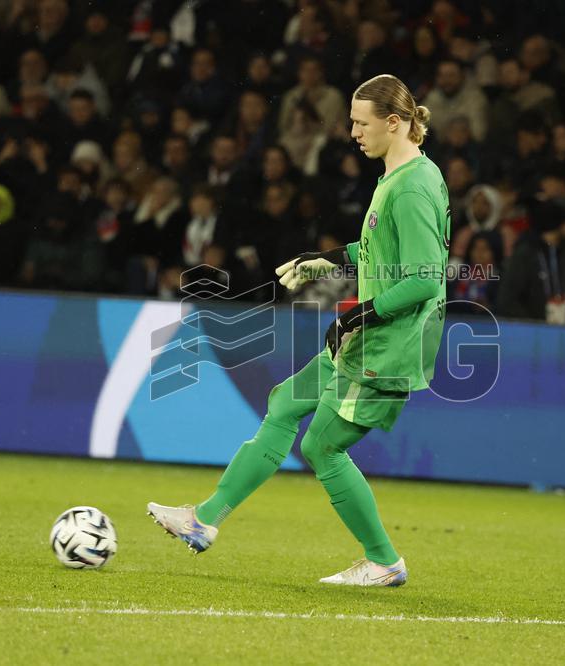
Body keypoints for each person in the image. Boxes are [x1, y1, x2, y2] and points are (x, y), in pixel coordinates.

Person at [147, 74, 450, 587]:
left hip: (388, 342)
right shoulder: (399, 176)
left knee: (322, 447)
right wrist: (326, 261)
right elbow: (383, 252)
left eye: (361, 122)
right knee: (287, 401)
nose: (352, 132)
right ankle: (204, 519)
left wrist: (355, 314)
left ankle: (383, 561)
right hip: (370, 331)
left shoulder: (413, 186)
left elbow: (423, 279)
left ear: (394, 123)